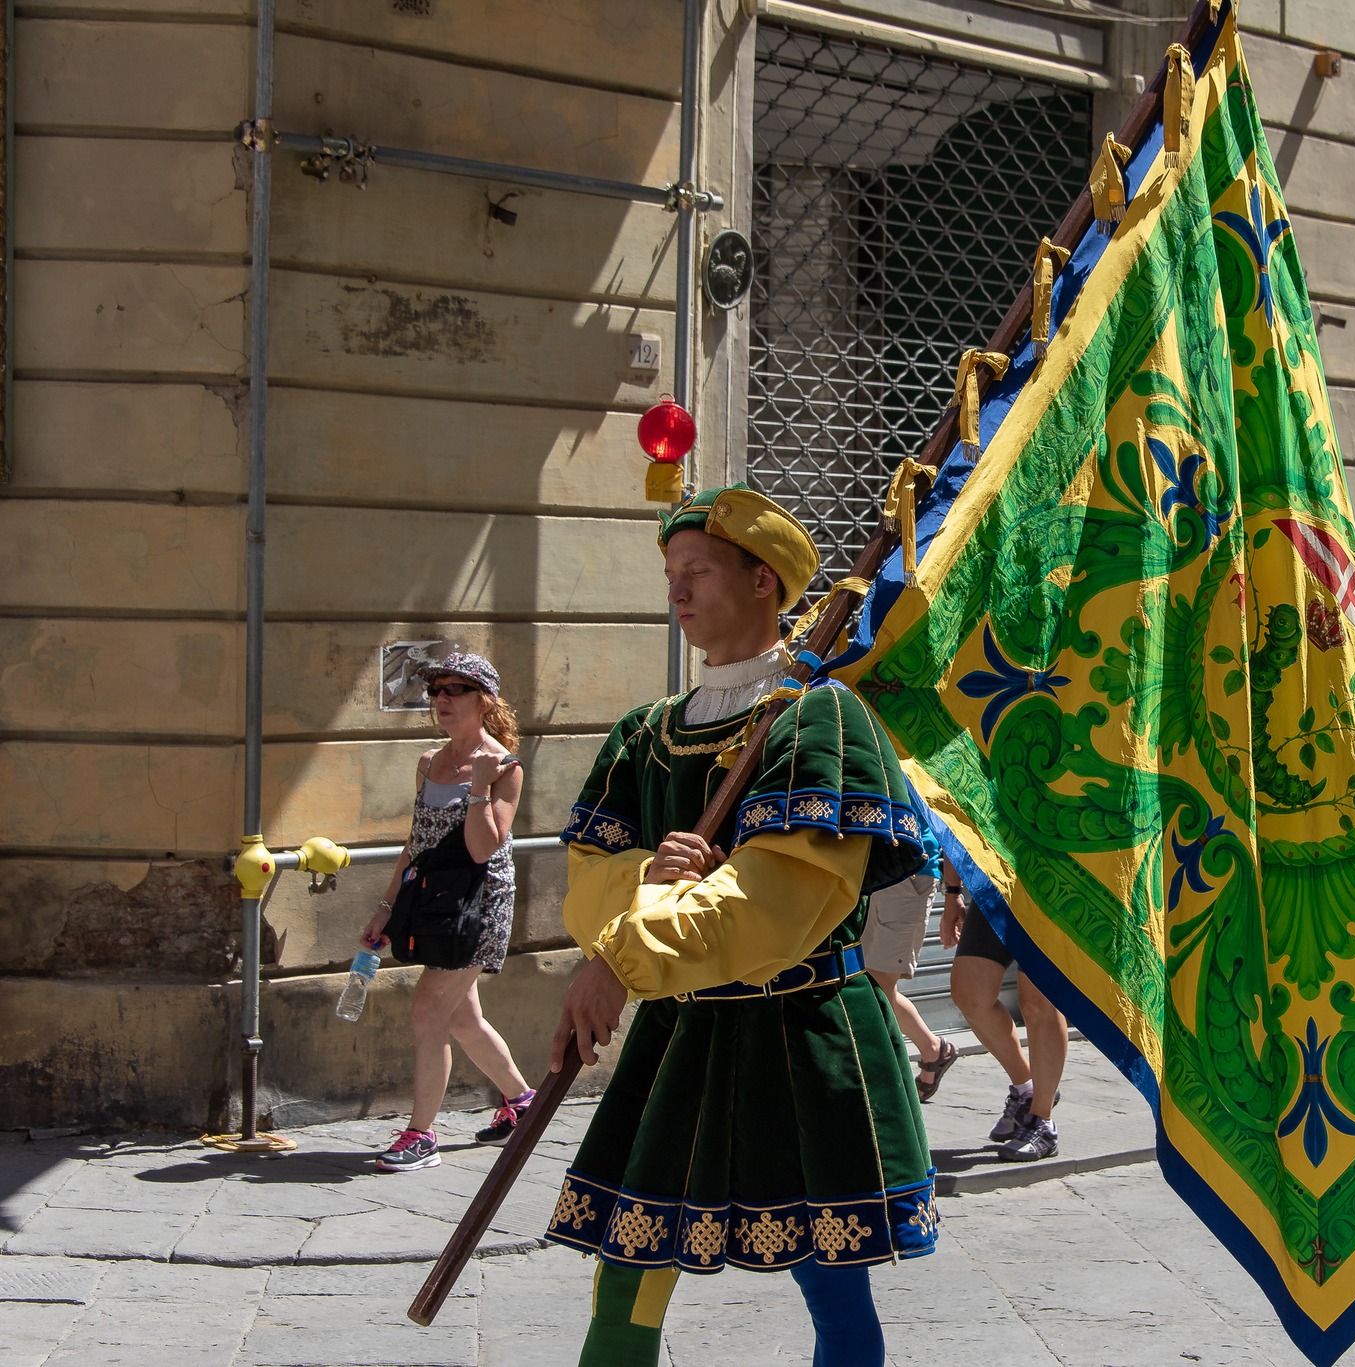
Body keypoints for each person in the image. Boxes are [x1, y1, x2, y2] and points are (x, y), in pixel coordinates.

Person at [543, 486, 937, 1367]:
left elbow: (779, 901)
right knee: (626, 1273)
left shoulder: (821, 716)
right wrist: (647, 877)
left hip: (801, 1033)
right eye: (671, 573)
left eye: (699, 571)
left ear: (764, 581)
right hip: (681, 1030)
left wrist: (625, 955)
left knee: (831, 1281)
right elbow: (585, 883)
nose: (677, 591)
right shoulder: (645, 733)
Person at [357, 652, 533, 1172]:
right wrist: (386, 908)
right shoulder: (428, 761)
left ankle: (421, 1136)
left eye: (456, 690)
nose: (442, 699)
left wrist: (479, 787)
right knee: (462, 1017)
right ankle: (523, 1102)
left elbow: (482, 849)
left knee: (428, 1011)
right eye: (437, 691)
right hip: (433, 902)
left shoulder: (505, 767)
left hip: (478, 908)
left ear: (485, 701)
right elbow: (415, 844)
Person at [941, 863, 1067, 1161]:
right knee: (970, 993)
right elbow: (956, 831)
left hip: (1055, 874)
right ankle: (1028, 1089)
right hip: (996, 876)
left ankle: (1043, 1122)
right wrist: (952, 892)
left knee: (1038, 998)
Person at [862, 798, 959, 1101]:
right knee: (867, 981)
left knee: (878, 985)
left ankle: (896, 1067)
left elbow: (949, 818)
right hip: (871, 870)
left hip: (910, 871)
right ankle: (934, 1050)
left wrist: (953, 895)